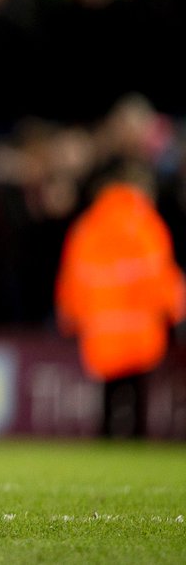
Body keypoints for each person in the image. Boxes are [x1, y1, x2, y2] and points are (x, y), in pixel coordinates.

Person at [55, 163, 186, 437]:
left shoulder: (88, 227)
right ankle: (135, 442)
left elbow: (73, 278)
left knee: (108, 394)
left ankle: (104, 440)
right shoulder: (147, 226)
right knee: (137, 397)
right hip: (140, 328)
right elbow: (160, 276)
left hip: (101, 327)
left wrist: (70, 316)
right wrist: (175, 311)